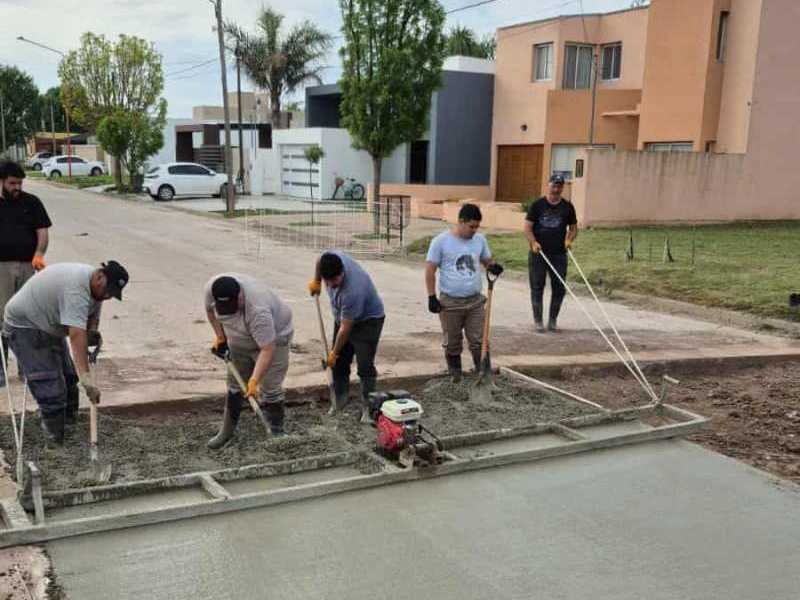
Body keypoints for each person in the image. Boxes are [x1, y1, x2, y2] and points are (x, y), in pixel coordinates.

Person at [3, 261, 129, 444]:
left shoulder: (97, 290)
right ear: (100, 275)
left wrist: (92, 332)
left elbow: (91, 316)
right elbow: (76, 336)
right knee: (50, 386)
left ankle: (69, 425)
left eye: (112, 293)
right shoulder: (76, 289)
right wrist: (87, 381)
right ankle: (54, 441)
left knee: (69, 378)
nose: (108, 295)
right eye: (107, 289)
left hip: (50, 323)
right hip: (26, 325)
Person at [206, 273, 293, 446]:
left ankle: (276, 434)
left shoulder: (258, 310)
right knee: (234, 385)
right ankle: (226, 431)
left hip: (275, 338)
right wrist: (220, 337)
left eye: (232, 306)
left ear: (239, 297)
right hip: (239, 340)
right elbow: (210, 311)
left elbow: (267, 349)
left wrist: (254, 381)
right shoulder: (210, 290)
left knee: (270, 387)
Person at [425, 203, 503, 382]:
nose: (474, 230)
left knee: (478, 341)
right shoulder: (441, 241)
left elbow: (486, 260)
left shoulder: (479, 240)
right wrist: (431, 297)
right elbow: (430, 270)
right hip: (450, 303)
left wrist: (493, 265)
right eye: (471, 226)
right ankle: (455, 375)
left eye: (477, 226)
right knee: (452, 342)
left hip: (475, 302)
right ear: (460, 222)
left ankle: (484, 375)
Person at [308, 251, 384, 422]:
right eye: (329, 281)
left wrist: (333, 353)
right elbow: (319, 258)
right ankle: (339, 401)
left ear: (342, 271)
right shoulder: (331, 259)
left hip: (368, 321)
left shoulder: (353, 291)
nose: (332, 285)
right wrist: (317, 281)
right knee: (340, 362)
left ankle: (368, 407)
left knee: (364, 365)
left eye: (335, 280)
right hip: (342, 317)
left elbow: (345, 328)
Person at [0, 160, 51, 387]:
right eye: (12, 183)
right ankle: (1, 369)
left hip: (28, 267)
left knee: (27, 318)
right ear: (1, 182)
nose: (17, 187)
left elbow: (42, 232)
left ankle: (27, 367)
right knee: (2, 319)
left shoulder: (32, 203)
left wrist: (39, 254)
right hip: (1, 269)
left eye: (20, 183)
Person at [524, 174, 578, 333]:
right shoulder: (537, 205)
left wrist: (569, 239)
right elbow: (527, 228)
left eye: (559, 186)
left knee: (559, 287)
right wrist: (533, 242)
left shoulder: (567, 207)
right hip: (538, 253)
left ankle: (553, 321)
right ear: (548, 185)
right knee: (537, 286)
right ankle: (538, 321)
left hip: (559, 254)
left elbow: (574, 228)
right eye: (554, 185)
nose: (556, 189)